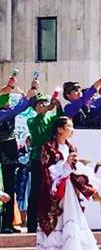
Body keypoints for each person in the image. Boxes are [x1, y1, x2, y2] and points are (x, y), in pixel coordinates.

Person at [33, 116, 101, 250]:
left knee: (72, 223)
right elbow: (48, 170)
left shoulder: (71, 147)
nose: (72, 129)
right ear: (60, 129)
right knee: (56, 225)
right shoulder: (48, 147)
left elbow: (75, 168)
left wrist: (84, 175)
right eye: (69, 126)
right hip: (54, 192)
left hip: (69, 191)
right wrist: (65, 165)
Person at [0, 81, 36, 233]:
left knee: (10, 187)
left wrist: (32, 89)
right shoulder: (2, 113)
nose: (9, 101)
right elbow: (15, 110)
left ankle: (8, 223)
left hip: (9, 151)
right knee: (5, 188)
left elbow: (22, 107)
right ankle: (5, 224)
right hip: (4, 150)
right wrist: (27, 97)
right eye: (6, 99)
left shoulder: (8, 110)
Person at [26, 93, 61, 233]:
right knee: (35, 191)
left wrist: (58, 106)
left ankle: (48, 222)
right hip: (37, 159)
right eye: (40, 103)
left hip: (51, 159)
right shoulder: (31, 121)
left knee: (51, 191)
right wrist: (48, 108)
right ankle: (31, 224)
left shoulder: (51, 119)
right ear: (35, 108)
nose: (43, 105)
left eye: (45, 102)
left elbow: (61, 120)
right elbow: (38, 134)